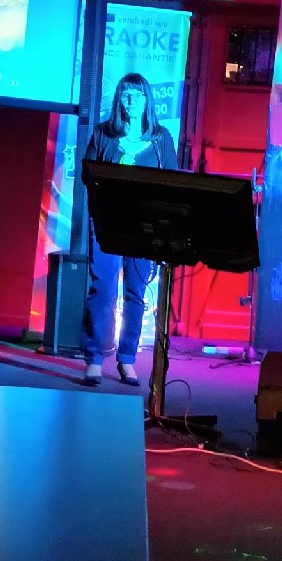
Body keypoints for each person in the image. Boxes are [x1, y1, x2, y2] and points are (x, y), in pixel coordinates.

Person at [80, 72, 178, 386]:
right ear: (119, 99)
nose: (132, 100)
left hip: (143, 227)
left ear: (147, 100)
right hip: (107, 223)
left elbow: (172, 181)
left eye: (138, 95)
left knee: (135, 292)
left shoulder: (161, 138)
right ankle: (94, 359)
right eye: (126, 94)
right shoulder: (103, 133)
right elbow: (86, 174)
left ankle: (127, 359)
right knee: (103, 289)